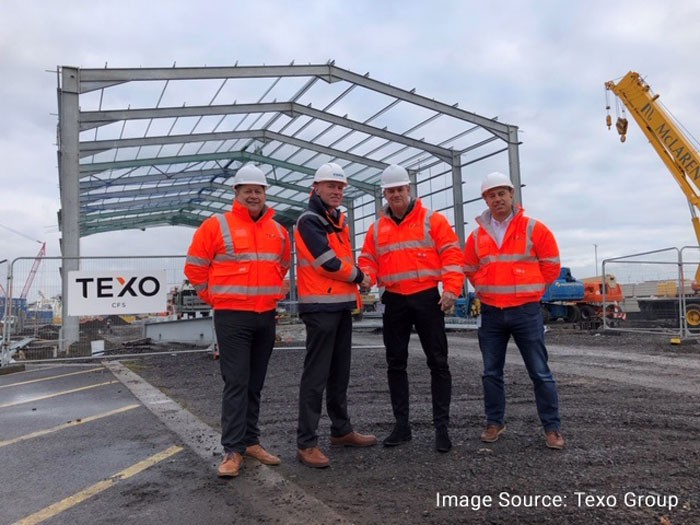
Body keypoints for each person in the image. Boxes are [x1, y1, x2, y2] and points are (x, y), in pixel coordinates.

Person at [184, 163, 291, 478]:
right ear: (237, 192)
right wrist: (214, 298)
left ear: (265, 193)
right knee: (236, 382)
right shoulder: (216, 226)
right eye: (248, 191)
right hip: (232, 317)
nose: (253, 196)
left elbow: (282, 266)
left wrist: (271, 295)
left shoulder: (278, 231)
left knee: (255, 383)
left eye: (258, 191)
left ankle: (251, 442)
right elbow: (195, 268)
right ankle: (232, 449)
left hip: (265, 316)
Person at [358, 164, 465, 453]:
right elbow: (368, 259)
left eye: (399, 189)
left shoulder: (433, 220)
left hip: (427, 298)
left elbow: (452, 255)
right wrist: (366, 277)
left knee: (438, 362)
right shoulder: (377, 228)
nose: (395, 194)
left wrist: (451, 288)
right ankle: (401, 426)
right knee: (395, 363)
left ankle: (441, 428)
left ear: (408, 189)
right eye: (390, 191)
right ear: (384, 194)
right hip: (394, 299)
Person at [463, 171, 565, 450]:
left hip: (525, 311)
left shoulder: (534, 229)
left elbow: (551, 265)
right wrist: (485, 286)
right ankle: (494, 422)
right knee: (490, 373)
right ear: (485, 200)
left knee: (540, 372)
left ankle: (552, 428)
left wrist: (534, 291)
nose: (497, 199)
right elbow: (469, 268)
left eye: (501, 193)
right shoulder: (477, 236)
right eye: (491, 195)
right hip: (492, 312)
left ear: (511, 195)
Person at [295, 162, 377, 468]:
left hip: (340, 307)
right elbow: (326, 262)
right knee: (316, 377)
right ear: (316, 188)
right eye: (331, 186)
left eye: (340, 187)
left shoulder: (337, 221)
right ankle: (306, 443)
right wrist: (361, 276)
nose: (337, 191)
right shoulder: (310, 220)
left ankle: (341, 430)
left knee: (339, 374)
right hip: (320, 309)